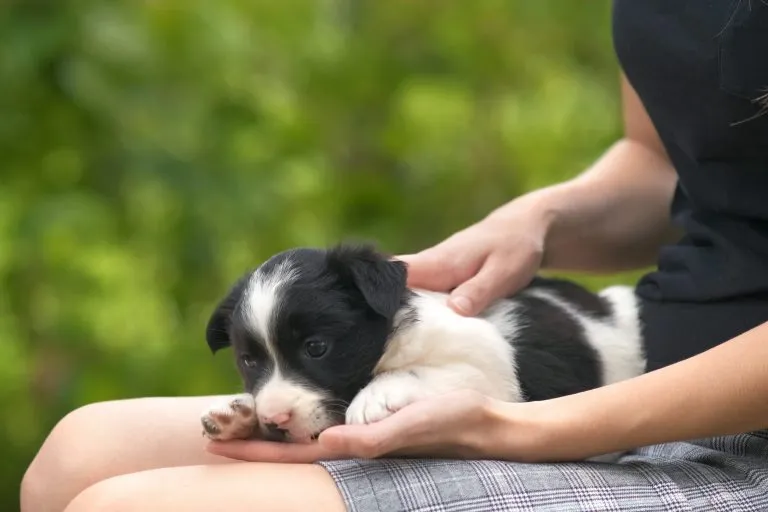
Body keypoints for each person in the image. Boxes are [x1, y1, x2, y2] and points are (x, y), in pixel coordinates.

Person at [21, 2, 768, 511]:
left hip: (729, 432)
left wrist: (523, 430)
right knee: (74, 456)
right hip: (658, 340)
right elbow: (664, 160)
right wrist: (536, 217)